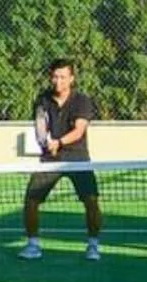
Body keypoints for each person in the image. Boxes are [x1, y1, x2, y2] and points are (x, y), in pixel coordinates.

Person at [21, 58, 102, 261]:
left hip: (77, 158)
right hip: (51, 159)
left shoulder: (81, 100)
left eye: (63, 77)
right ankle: (33, 245)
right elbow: (40, 126)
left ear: (71, 78)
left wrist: (59, 142)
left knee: (91, 200)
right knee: (31, 200)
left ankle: (93, 245)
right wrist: (46, 143)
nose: (58, 81)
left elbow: (79, 130)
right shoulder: (43, 100)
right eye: (55, 77)